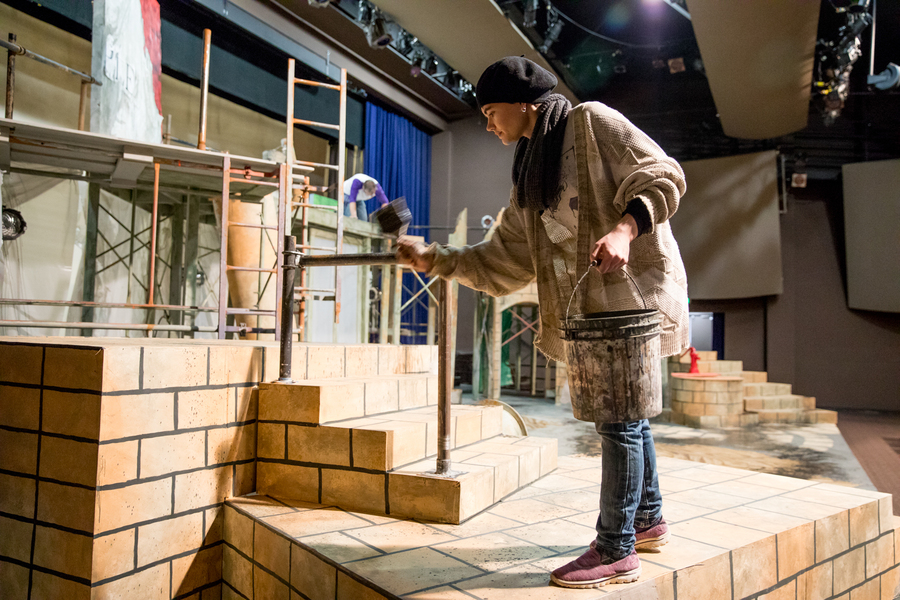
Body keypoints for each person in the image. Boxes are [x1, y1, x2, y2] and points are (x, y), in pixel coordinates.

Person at [397, 56, 689, 589]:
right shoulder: (531, 171)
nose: (488, 125)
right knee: (628, 416)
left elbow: (662, 172)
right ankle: (647, 519)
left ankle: (616, 549)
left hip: (632, 293)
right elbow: (502, 259)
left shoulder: (592, 122)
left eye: (491, 112)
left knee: (619, 421)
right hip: (592, 309)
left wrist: (625, 229)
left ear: (523, 103)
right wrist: (433, 259)